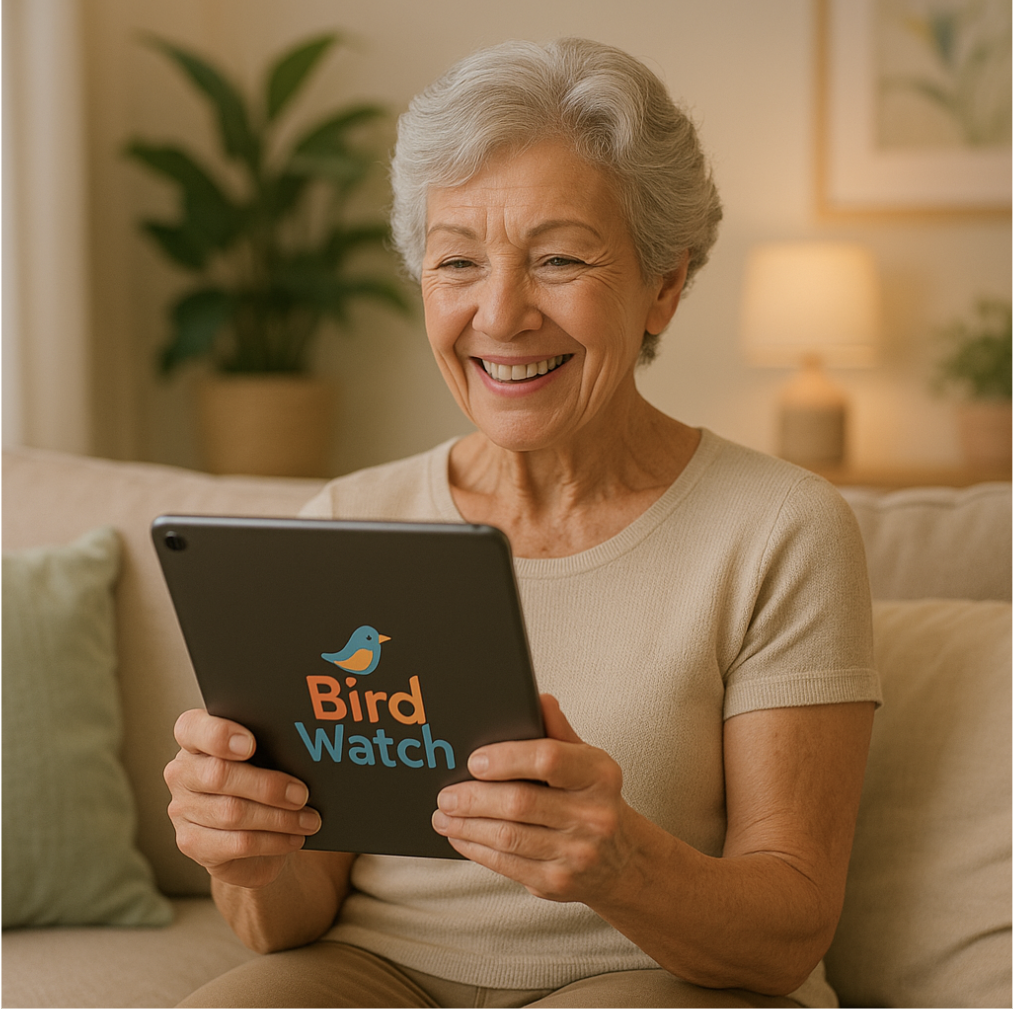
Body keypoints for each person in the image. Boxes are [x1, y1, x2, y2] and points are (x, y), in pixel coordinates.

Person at [166, 37, 881, 1008]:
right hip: (378, 970)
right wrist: (247, 851)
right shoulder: (348, 524)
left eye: (558, 259)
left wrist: (622, 864)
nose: (500, 315)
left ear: (664, 284)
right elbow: (282, 923)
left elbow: (787, 931)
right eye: (457, 260)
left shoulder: (779, 529)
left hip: (651, 978)